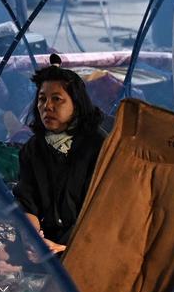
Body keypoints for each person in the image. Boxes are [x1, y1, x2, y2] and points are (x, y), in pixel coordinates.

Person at [13, 55, 106, 255]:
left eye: (57, 99)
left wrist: (66, 248)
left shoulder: (98, 146)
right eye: (42, 99)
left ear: (77, 104)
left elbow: (105, 211)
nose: (47, 106)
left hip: (93, 244)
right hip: (49, 243)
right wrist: (33, 238)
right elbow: (27, 202)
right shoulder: (33, 149)